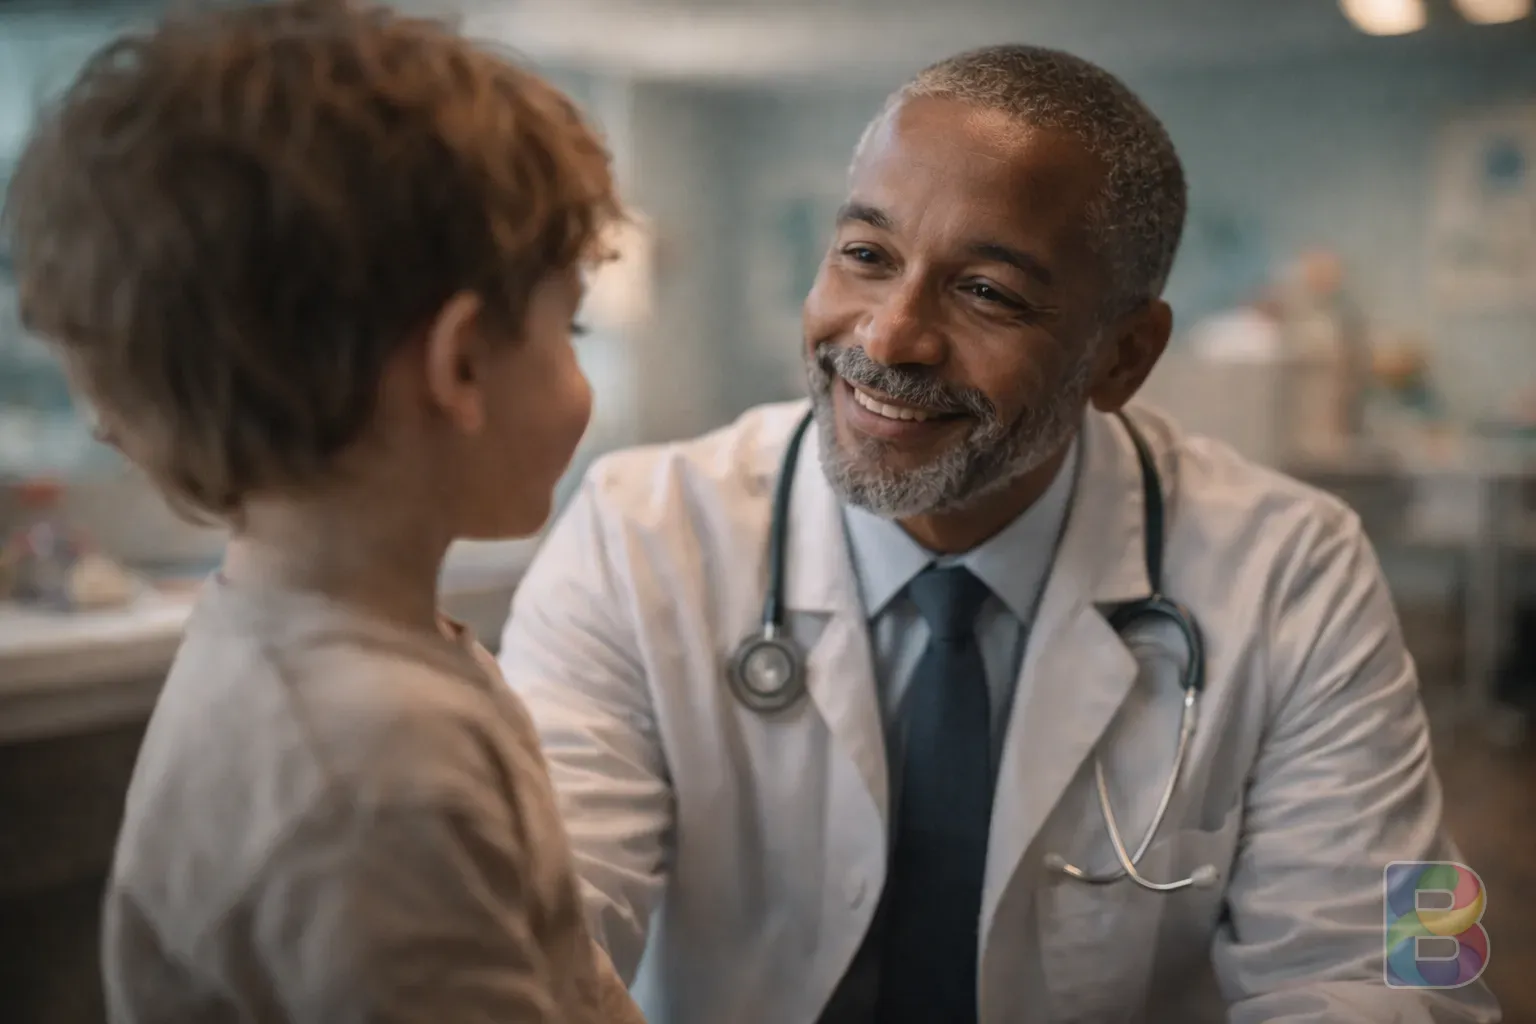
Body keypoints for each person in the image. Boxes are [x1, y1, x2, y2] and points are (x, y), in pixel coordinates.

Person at [499, 45, 1503, 1024]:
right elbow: (528, 927)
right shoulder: (637, 533)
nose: (889, 336)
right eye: (865, 255)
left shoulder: (1297, 568)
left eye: (986, 292)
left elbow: (1420, 955)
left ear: (1124, 356)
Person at [1, 2, 643, 1021]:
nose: (576, 367)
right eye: (566, 324)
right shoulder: (372, 767)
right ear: (461, 362)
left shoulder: (346, 658)